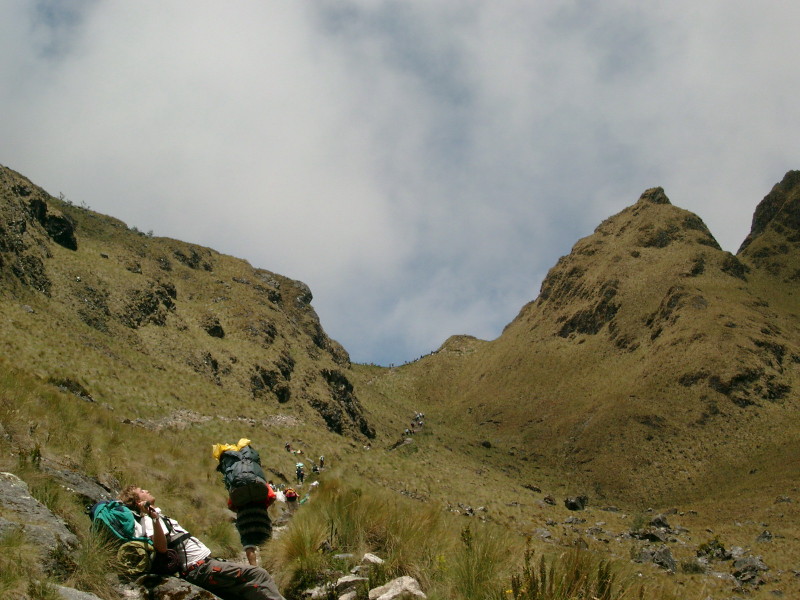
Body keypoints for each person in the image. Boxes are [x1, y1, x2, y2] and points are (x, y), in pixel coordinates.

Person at [118, 485, 285, 600]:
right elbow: (160, 547)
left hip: (205, 566)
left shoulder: (155, 517)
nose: (146, 490)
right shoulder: (148, 520)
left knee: (247, 589)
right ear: (138, 501)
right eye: (141, 491)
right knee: (258, 574)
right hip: (200, 568)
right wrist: (152, 518)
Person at [228, 481, 276, 566]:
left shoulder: (236, 486)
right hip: (261, 515)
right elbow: (272, 496)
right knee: (264, 544)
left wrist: (240, 510)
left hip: (244, 517)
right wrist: (264, 505)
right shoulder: (261, 482)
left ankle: (255, 571)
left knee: (249, 545)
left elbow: (230, 505)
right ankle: (267, 569)